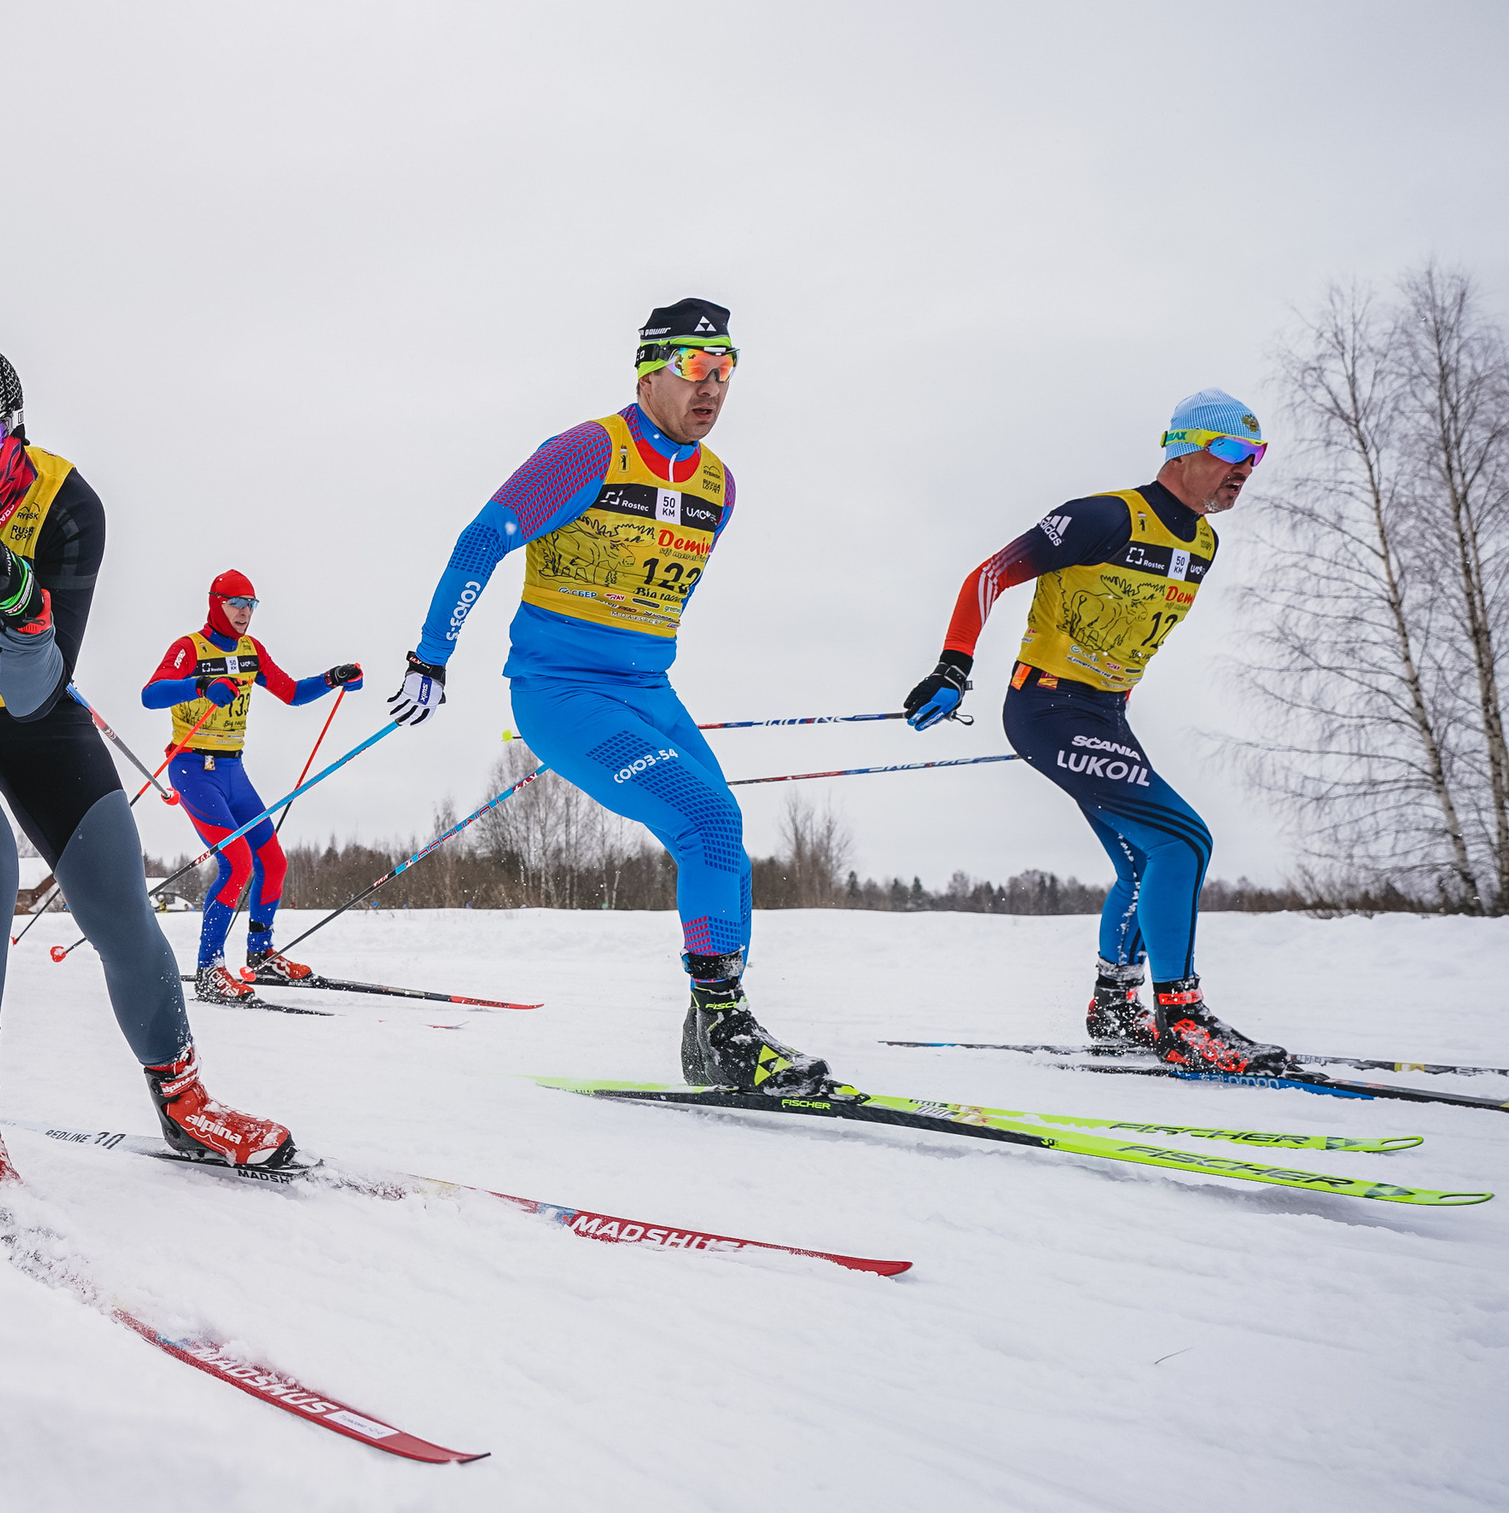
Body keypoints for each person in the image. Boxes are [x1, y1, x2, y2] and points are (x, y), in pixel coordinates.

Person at [0, 330, 296, 1214]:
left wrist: (18, 604)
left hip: (32, 717)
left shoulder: (67, 506)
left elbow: (36, 694)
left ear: (15, 436)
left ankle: (185, 1101)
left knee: (119, 905)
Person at [387, 298, 833, 1094]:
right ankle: (726, 1029)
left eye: (727, 369)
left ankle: (715, 1030)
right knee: (710, 819)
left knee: (725, 844)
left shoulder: (720, 488)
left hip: (648, 691)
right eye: (696, 365)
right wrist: (432, 654)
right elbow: (482, 539)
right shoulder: (590, 449)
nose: (713, 385)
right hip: (561, 694)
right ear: (650, 368)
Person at [900, 389, 1282, 1073]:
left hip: (1103, 716)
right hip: (1049, 708)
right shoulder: (1104, 516)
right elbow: (987, 575)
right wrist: (952, 669)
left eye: (1255, 458)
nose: (1244, 468)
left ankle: (1113, 1007)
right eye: (1232, 451)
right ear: (1184, 446)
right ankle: (1181, 1017)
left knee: (1144, 859)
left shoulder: (1202, 544)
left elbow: (1137, 639)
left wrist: (1115, 709)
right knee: (1183, 839)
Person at [141, 569, 362, 1000]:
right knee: (238, 864)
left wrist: (332, 678)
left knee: (272, 861)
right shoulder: (190, 648)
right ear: (215, 603)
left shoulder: (250, 650)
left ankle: (261, 955)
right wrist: (202, 686)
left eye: (251, 605)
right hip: (191, 768)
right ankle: (209, 969)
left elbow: (292, 692)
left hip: (233, 771)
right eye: (236, 603)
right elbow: (151, 695)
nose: (244, 612)